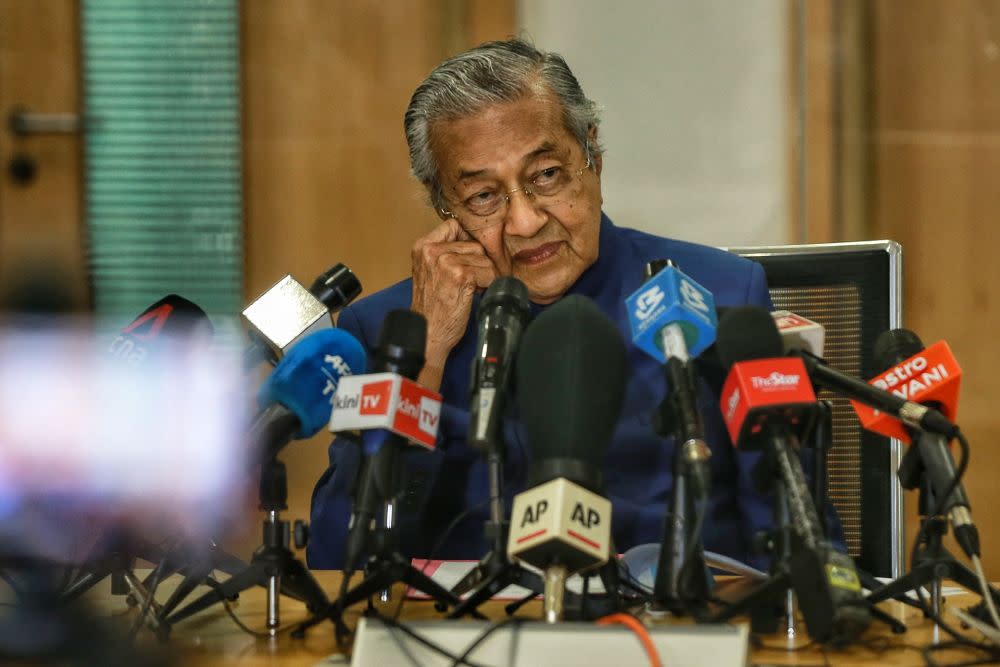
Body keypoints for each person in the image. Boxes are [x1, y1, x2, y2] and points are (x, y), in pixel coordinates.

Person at [308, 38, 810, 571]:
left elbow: (798, 544)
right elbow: (338, 556)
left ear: (593, 155)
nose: (525, 222)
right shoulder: (389, 331)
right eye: (484, 196)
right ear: (443, 206)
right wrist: (426, 358)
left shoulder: (721, 295)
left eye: (546, 175)